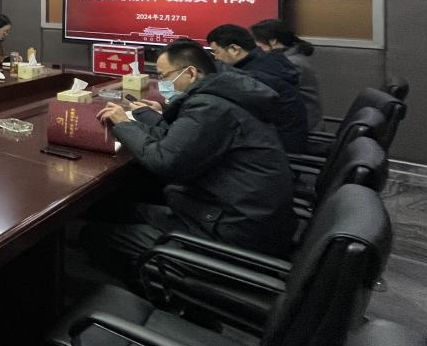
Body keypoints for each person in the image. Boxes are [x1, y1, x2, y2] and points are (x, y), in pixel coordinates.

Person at [83, 40, 295, 278]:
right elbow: (179, 140)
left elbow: (164, 160)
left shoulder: (211, 106)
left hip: (230, 232)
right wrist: (144, 118)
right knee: (118, 208)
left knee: (94, 234)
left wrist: (124, 124)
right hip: (239, 215)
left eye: (164, 76)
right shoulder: (225, 95)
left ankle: (154, 289)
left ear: (191, 72)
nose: (162, 83)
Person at [206, 23, 308, 154]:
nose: (216, 58)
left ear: (234, 49)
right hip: (287, 138)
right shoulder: (266, 60)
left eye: (216, 52)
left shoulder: (254, 77)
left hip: (278, 148)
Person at [251, 18, 322, 131]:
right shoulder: (294, 57)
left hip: (301, 129)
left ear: (273, 41)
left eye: (257, 41)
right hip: (298, 122)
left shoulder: (291, 63)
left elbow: (273, 95)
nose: (256, 46)